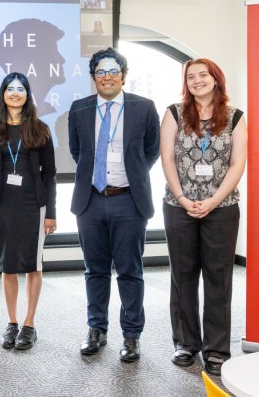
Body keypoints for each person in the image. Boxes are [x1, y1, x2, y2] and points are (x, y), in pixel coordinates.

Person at [67, 47, 160, 363]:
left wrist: (128, 175)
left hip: (128, 202)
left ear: (123, 74)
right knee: (94, 271)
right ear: (93, 77)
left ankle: (132, 336)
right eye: (100, 72)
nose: (107, 77)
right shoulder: (79, 108)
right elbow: (77, 152)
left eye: (113, 71)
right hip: (90, 201)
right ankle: (97, 329)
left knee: (130, 272)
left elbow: (151, 151)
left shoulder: (143, 107)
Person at [160, 58, 247, 377]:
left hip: (221, 209)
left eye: (203, 75)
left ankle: (216, 350)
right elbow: (166, 156)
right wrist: (183, 198)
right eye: (191, 77)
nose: (197, 81)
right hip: (178, 206)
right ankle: (185, 343)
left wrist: (213, 200)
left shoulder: (235, 116)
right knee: (182, 275)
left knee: (218, 278)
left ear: (216, 79)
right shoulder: (174, 112)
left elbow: (238, 163)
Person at [0, 72, 56, 351]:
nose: (15, 93)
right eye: (10, 89)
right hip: (2, 205)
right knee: (8, 264)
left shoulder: (40, 129)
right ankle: (11, 322)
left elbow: (49, 174)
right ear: (3, 94)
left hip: (33, 205)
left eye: (20, 89)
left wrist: (52, 213)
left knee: (32, 264)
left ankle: (29, 324)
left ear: (27, 94)